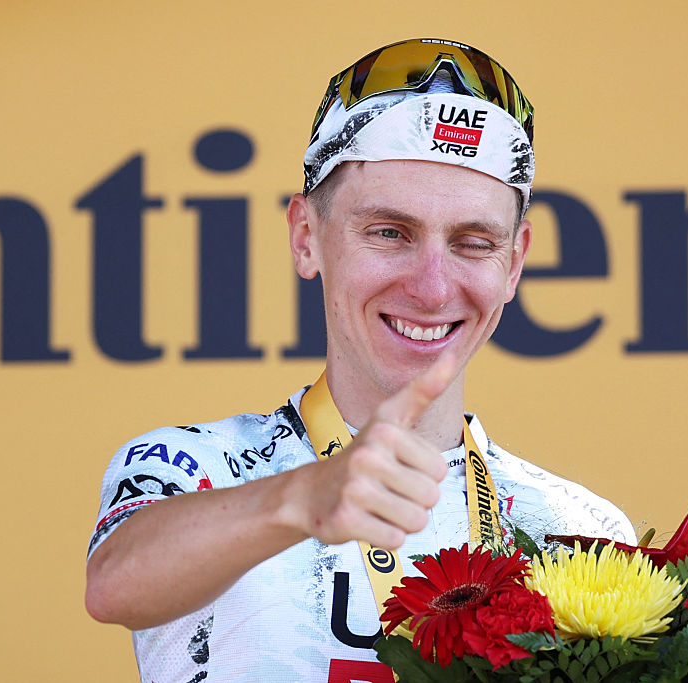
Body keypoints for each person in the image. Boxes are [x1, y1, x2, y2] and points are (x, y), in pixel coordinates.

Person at [85, 38, 636, 682]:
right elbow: (115, 583)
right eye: (389, 233)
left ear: (513, 264)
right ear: (306, 238)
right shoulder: (195, 467)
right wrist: (301, 499)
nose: (432, 287)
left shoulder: (580, 526)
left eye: (473, 242)